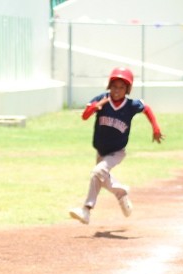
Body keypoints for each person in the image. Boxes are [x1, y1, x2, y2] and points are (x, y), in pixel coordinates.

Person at [69, 66, 164, 225]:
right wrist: (95, 107)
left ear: (128, 89)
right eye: (114, 86)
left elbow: (146, 108)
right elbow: (84, 116)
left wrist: (156, 128)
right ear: (109, 86)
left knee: (97, 172)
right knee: (101, 178)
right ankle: (121, 193)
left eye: (121, 87)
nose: (117, 90)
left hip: (117, 151)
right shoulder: (102, 99)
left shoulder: (130, 105)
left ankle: (86, 210)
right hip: (101, 151)